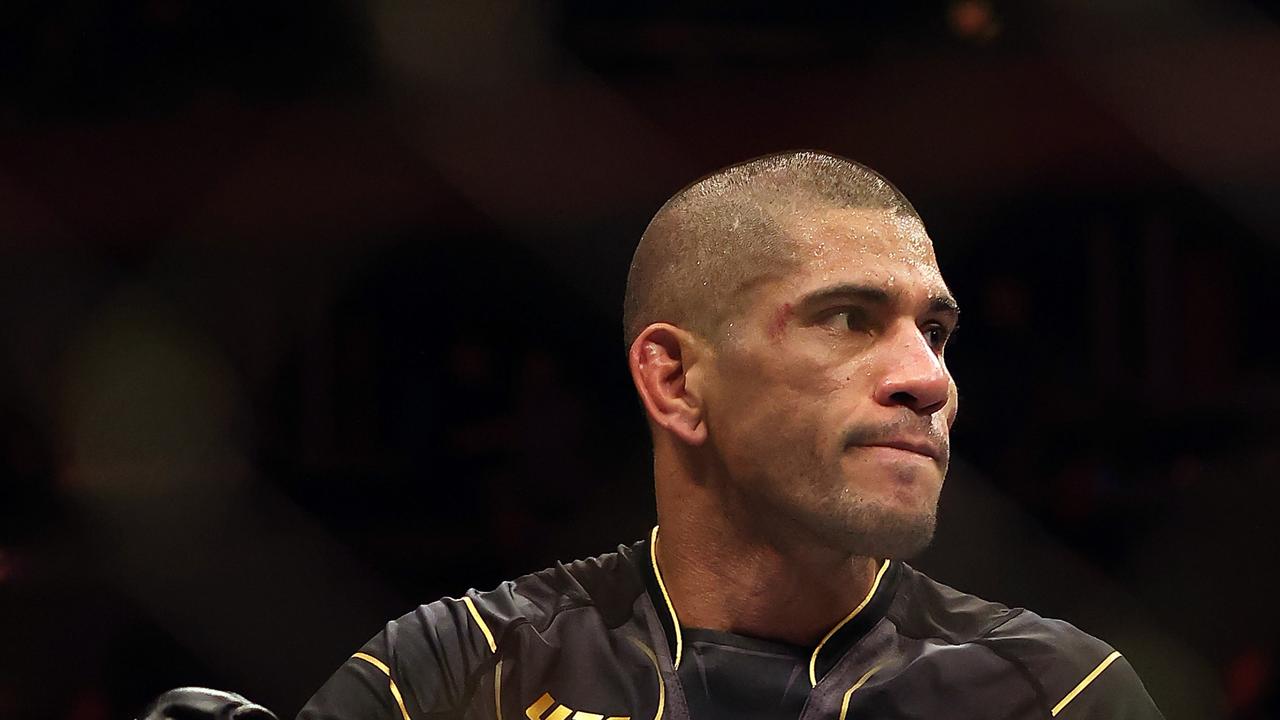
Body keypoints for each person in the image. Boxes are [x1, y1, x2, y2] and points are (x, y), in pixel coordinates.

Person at [297, 151, 1165, 720]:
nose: (929, 379)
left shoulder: (1057, 696)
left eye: (934, 332)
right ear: (675, 381)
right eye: (850, 319)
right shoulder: (464, 669)